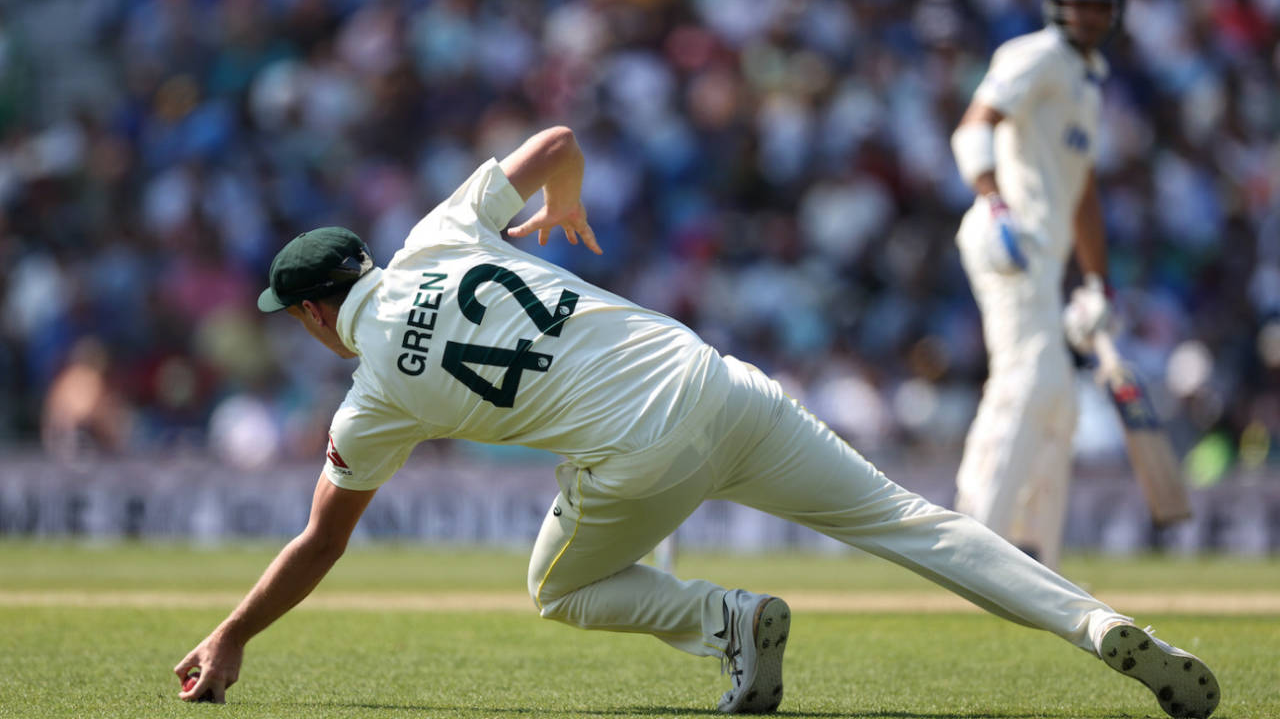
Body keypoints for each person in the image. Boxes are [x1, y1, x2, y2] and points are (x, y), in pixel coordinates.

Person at [174, 126, 1218, 718]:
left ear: (316, 312)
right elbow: (556, 140)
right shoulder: (435, 237)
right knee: (912, 521)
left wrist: (230, 634)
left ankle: (722, 620)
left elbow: (320, 540)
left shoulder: (371, 399)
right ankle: (1094, 624)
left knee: (557, 585)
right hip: (720, 382)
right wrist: (566, 200)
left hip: (636, 454)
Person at [949, 0, 1121, 571]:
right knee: (1030, 376)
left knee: (1059, 399)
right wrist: (993, 200)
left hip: (1045, 257)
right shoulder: (1035, 55)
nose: (1092, 17)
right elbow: (974, 125)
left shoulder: (1088, 83)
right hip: (1008, 237)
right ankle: (972, 538)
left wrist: (1098, 281)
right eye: (1082, 6)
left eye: (1101, 7)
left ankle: (1030, 553)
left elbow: (1084, 192)